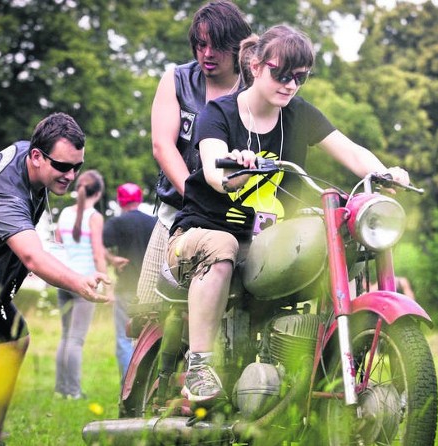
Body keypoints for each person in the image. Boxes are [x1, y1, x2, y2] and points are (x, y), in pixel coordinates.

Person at [166, 25, 411, 404]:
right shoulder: (219, 113)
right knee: (223, 244)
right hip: (201, 235)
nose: (290, 85)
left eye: (300, 77)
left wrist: (383, 171)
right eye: (281, 74)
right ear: (255, 64)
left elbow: (350, 150)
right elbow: (214, 170)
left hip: (266, 242)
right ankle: (199, 366)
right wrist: (235, 169)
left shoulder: (299, 115)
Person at [0, 112, 111, 446]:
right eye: (62, 166)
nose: (71, 175)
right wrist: (80, 284)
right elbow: (32, 256)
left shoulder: (27, 155)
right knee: (14, 338)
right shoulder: (6, 198)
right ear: (36, 156)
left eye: (77, 166)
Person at [135, 0, 251, 306]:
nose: (207, 54)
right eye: (200, 45)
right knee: (147, 312)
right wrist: (196, 197)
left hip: (238, 221)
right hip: (176, 214)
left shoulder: (253, 90)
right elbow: (162, 146)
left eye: (218, 46)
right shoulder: (176, 79)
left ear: (238, 45)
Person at [54, 169, 107, 400]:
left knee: (66, 336)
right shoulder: (94, 217)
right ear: (99, 193)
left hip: (63, 279)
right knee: (76, 339)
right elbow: (97, 254)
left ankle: (60, 390)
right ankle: (74, 392)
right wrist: (105, 282)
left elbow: (57, 243)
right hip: (85, 282)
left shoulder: (65, 213)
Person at [103, 183, 156, 379]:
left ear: (120, 200)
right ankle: (146, 385)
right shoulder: (154, 222)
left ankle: (127, 389)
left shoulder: (116, 223)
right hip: (152, 291)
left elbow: (98, 247)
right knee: (149, 339)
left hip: (126, 288)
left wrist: (112, 259)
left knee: (125, 339)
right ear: (140, 199)